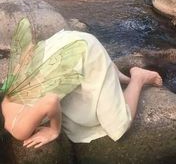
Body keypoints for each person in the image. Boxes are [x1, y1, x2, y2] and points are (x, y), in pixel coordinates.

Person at [1, 18, 163, 149]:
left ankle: (138, 78)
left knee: (119, 125)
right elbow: (28, 55)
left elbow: (50, 101)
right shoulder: (7, 96)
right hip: (64, 45)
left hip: (85, 52)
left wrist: (53, 130)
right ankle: (114, 75)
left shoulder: (18, 129)